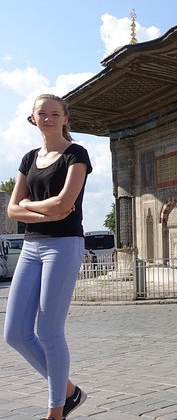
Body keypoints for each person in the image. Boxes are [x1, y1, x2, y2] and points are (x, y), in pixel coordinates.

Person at [3, 94, 92, 420]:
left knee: (49, 331)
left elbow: (65, 203)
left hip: (64, 244)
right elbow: (15, 209)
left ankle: (55, 411)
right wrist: (40, 211)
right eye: (43, 113)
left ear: (66, 118)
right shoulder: (28, 159)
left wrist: (29, 209)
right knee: (14, 333)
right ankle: (70, 392)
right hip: (31, 246)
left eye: (55, 113)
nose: (49, 118)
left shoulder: (76, 155)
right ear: (33, 118)